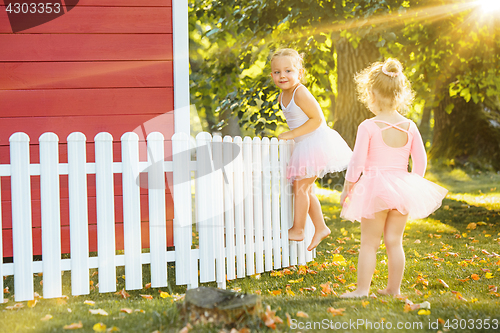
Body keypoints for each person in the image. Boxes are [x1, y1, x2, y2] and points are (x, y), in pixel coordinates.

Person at [339, 58, 448, 298]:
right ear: (399, 94)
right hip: (402, 189)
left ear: (372, 94)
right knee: (394, 241)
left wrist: (348, 188)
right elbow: (421, 162)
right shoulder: (410, 126)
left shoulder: (368, 126)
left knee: (369, 243)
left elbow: (357, 162)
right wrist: (412, 185)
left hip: (375, 188)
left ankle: (362, 290)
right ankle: (393, 289)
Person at [270, 48, 352, 251]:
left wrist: (290, 134)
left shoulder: (300, 92)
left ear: (300, 72)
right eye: (277, 72)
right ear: (271, 74)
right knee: (304, 188)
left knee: (301, 187)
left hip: (316, 142)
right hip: (304, 145)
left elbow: (317, 119)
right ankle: (321, 227)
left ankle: (298, 229)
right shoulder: (282, 96)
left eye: (288, 70)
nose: (282, 76)